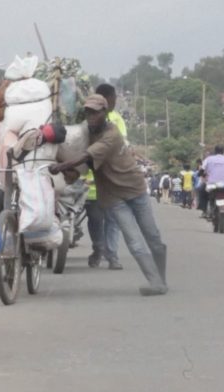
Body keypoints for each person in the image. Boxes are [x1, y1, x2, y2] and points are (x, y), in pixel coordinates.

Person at [50, 95, 168, 296]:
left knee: (153, 236)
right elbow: (73, 147)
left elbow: (86, 156)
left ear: (104, 113)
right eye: (88, 112)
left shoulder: (111, 134)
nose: (91, 116)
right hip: (112, 195)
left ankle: (161, 278)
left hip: (134, 189)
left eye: (95, 112)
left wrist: (61, 166)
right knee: (134, 241)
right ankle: (155, 282)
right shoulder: (85, 133)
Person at [96, 84, 126, 271]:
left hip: (105, 178)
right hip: (93, 180)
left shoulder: (115, 118)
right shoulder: (87, 116)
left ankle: (111, 254)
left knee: (110, 219)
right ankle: (100, 249)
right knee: (101, 220)